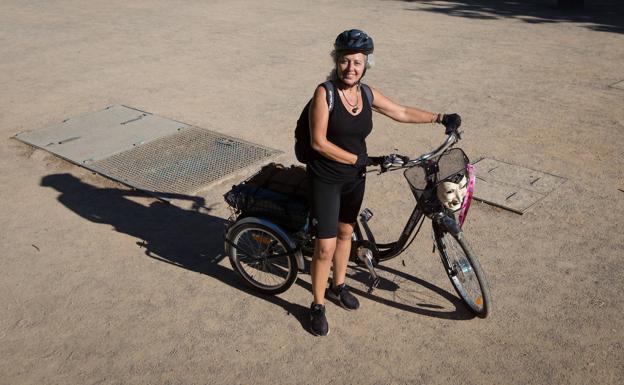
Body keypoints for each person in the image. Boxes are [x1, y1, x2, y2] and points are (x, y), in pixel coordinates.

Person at [307, 29, 461, 336]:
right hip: (327, 179)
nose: (351, 68)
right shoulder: (324, 94)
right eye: (345, 61)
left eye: (358, 62)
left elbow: (401, 111)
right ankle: (317, 305)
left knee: (346, 233)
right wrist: (363, 160)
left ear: (367, 64)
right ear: (336, 62)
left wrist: (440, 117)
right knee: (324, 247)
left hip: (355, 178)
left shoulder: (366, 93)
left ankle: (338, 286)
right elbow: (318, 143)